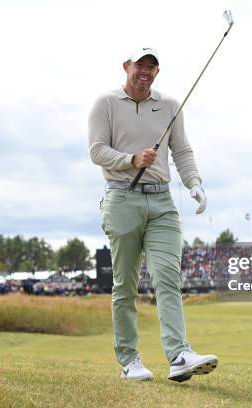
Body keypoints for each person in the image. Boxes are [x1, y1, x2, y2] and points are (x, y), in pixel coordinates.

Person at [88, 47, 218, 382]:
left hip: (162, 203)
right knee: (125, 285)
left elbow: (182, 149)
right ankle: (130, 361)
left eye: (152, 66)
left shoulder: (170, 106)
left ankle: (179, 355)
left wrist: (194, 183)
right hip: (122, 198)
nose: (145, 70)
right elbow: (97, 150)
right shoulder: (105, 104)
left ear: (157, 72)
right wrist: (132, 160)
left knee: (167, 278)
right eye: (140, 64)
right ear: (126, 66)